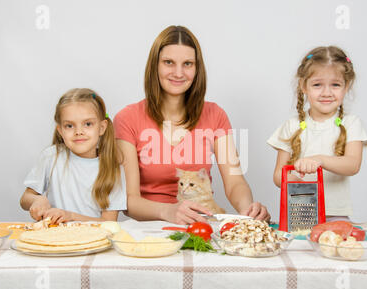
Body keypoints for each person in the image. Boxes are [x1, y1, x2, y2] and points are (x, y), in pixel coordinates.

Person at [114, 25, 269, 225]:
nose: (178, 73)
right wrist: (168, 211)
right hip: (148, 230)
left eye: (187, 64)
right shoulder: (127, 118)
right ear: (155, 66)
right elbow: (129, 201)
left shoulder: (216, 115)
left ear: (197, 69)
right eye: (169, 62)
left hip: (201, 225)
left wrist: (248, 210)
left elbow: (234, 183)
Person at [267, 46, 367, 220]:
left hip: (335, 215)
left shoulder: (351, 123)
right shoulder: (292, 125)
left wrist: (320, 160)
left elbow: (353, 165)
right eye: (317, 85)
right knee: (297, 247)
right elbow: (279, 174)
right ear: (304, 86)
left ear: (346, 86)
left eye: (335, 85)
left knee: (336, 246)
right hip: (300, 213)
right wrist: (296, 182)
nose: (326, 93)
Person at [20, 88, 127, 224]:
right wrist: (37, 200)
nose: (78, 132)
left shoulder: (113, 167)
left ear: (101, 127)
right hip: (54, 239)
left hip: (92, 241)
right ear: (60, 130)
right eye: (69, 126)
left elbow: (108, 222)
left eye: (88, 124)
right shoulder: (51, 157)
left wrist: (70, 216)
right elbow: (25, 199)